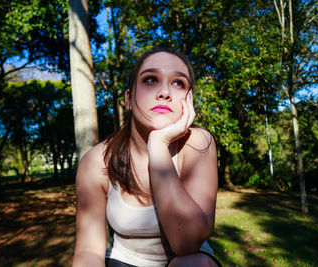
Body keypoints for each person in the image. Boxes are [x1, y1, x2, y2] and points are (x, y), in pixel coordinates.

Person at [73, 48, 220, 267]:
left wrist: (159, 145)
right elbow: (88, 252)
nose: (164, 92)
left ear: (189, 100)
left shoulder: (199, 144)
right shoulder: (96, 162)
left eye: (178, 83)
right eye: (150, 79)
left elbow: (187, 243)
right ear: (129, 99)